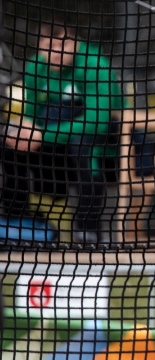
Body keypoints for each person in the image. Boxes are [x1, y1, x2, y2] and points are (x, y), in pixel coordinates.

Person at [1, 19, 122, 244]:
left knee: (83, 146)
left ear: (75, 44)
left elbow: (100, 119)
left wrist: (44, 135)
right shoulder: (36, 67)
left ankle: (88, 230)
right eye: (49, 47)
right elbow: (32, 114)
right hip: (56, 143)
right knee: (9, 144)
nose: (55, 53)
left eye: (62, 46)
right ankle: (18, 220)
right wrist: (24, 133)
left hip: (103, 142)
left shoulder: (95, 63)